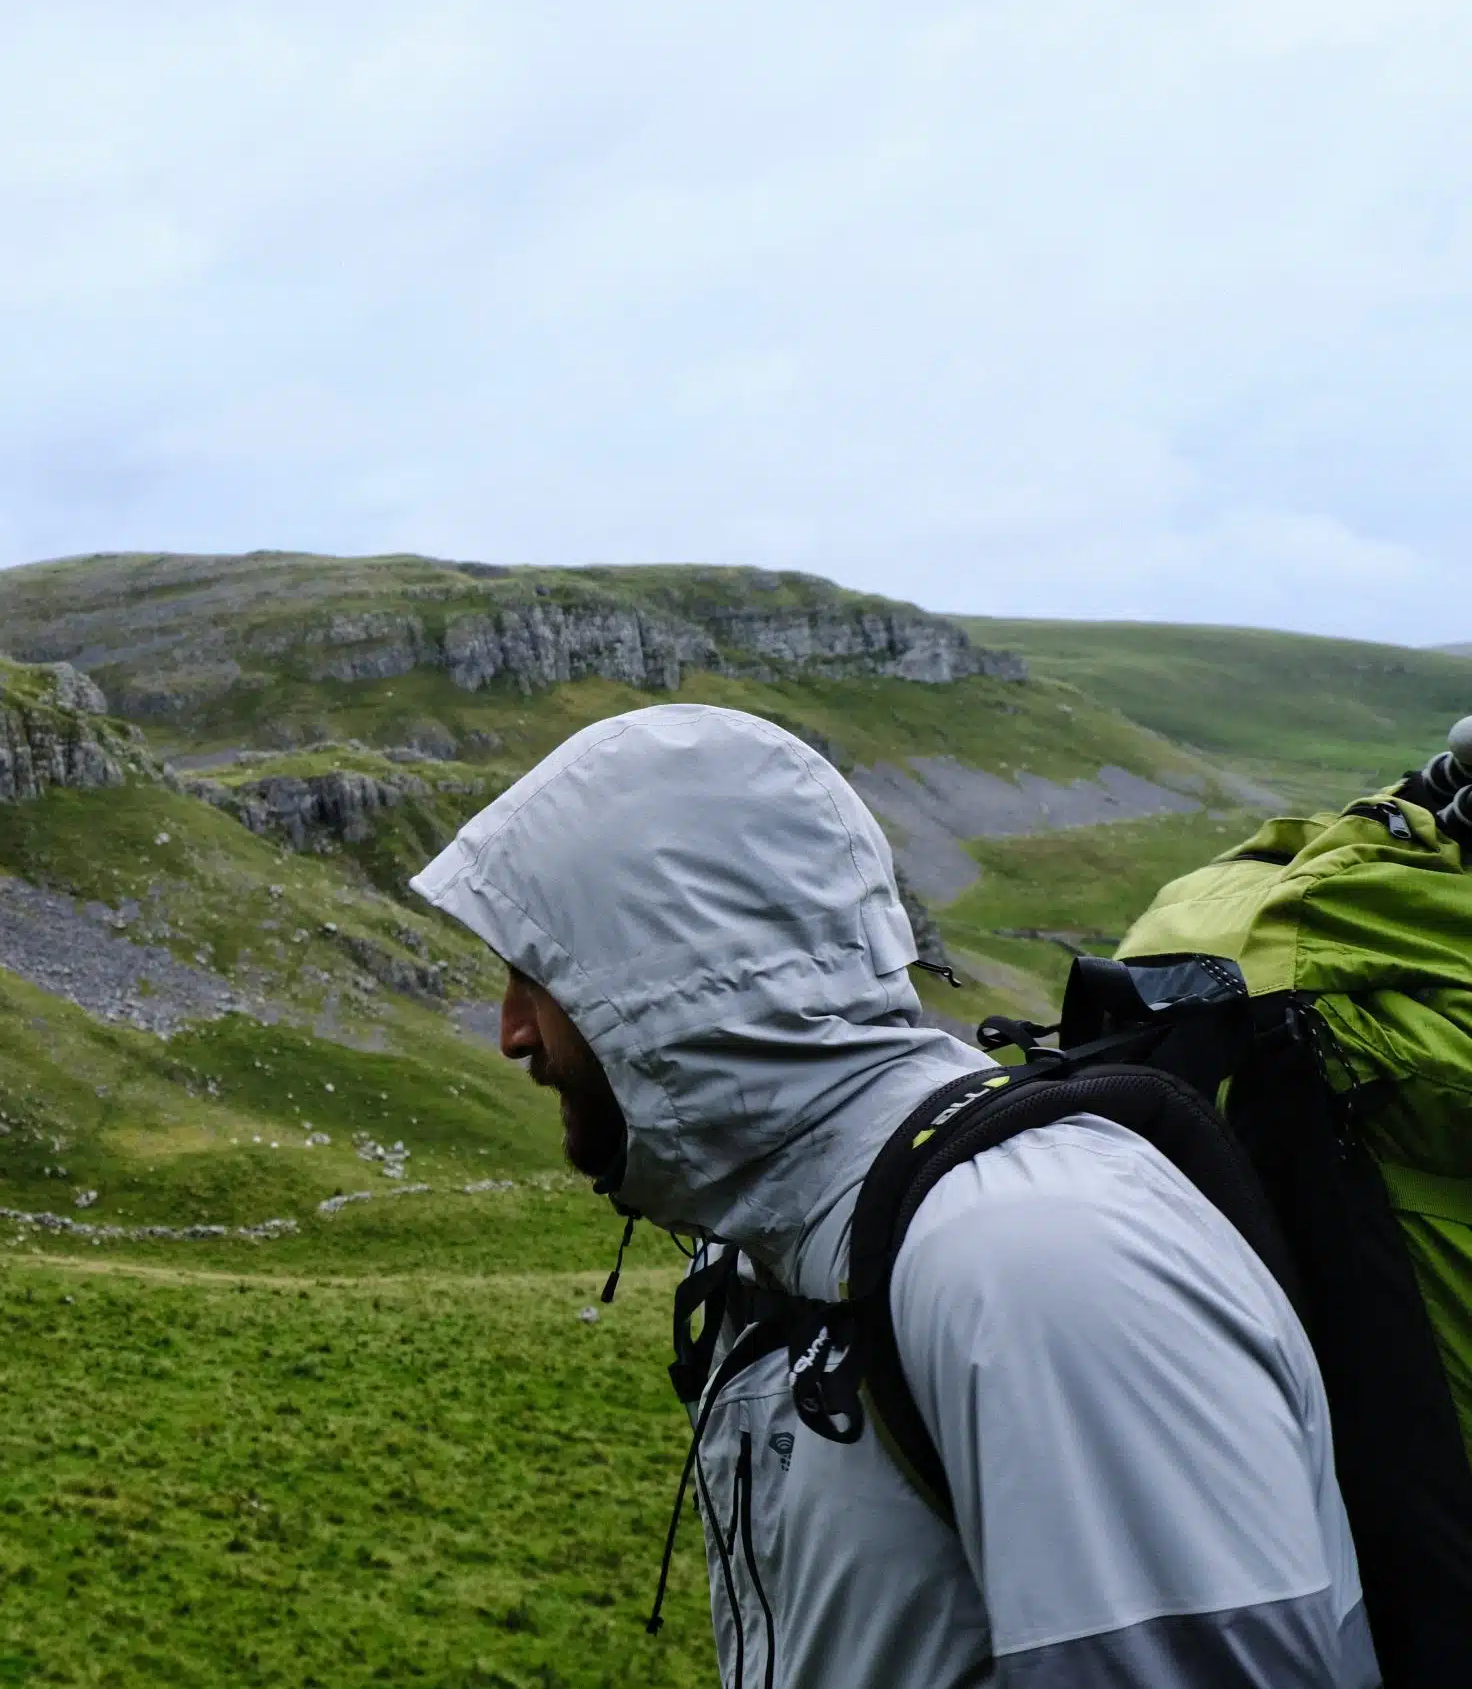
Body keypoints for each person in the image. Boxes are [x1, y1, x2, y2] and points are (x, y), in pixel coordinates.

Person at [410, 704, 1376, 1689]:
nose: (512, 1034)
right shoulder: (777, 1248)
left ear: (667, 975)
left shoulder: (1032, 1266)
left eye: (537, 977)